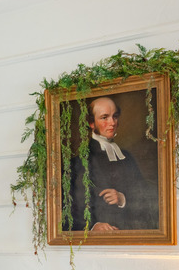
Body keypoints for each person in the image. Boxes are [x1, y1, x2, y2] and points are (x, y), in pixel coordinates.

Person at [66, 94, 156, 232]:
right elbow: (68, 209)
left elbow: (146, 198)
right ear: (91, 123)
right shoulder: (77, 163)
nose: (112, 122)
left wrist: (122, 199)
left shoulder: (127, 158)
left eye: (115, 116)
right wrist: (93, 226)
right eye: (104, 117)